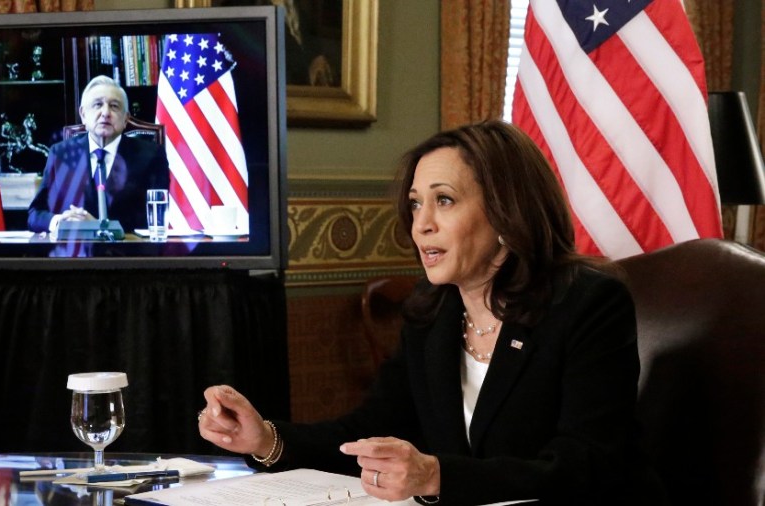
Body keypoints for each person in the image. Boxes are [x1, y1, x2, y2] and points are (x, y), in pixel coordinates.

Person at [197, 120, 666, 505]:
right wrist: (266, 440)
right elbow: (368, 432)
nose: (421, 224)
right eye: (416, 203)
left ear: (507, 212)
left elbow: (585, 464)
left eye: (444, 200)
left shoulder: (588, 303)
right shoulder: (431, 313)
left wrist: (437, 476)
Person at [27, 75, 168, 235]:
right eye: (97, 105)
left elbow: (157, 219)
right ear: (84, 114)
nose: (105, 113)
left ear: (126, 119)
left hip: (129, 254)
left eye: (114, 106)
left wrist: (99, 227)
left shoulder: (151, 156)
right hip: (73, 255)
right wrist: (60, 221)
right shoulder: (60, 154)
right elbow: (35, 214)